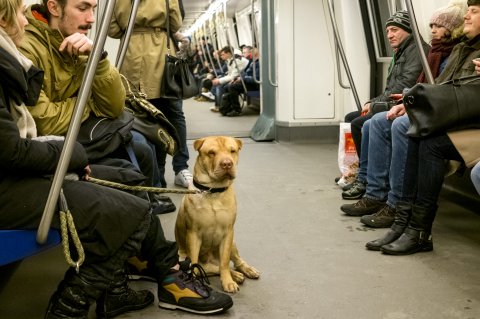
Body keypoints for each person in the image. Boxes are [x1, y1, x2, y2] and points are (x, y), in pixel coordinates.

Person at [0, 1, 233, 318]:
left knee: (132, 171)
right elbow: (42, 124)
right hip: (29, 166)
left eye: (94, 8)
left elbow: (110, 106)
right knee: (132, 180)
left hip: (46, 151)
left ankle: (134, 279)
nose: (92, 18)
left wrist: (97, 62)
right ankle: (146, 278)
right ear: (54, 6)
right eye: (84, 7)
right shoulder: (24, 50)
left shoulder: (51, 48)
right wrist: (83, 112)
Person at [341, 0, 467, 227]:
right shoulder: (432, 52)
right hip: (428, 106)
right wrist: (400, 102)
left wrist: (404, 102)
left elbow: (438, 90)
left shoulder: (436, 53)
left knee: (380, 123)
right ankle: (374, 190)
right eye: (431, 26)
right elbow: (416, 88)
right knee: (372, 122)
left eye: (438, 26)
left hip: (447, 114)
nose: (433, 31)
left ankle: (396, 204)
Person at [369, 0, 480, 255]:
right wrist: (410, 106)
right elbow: (441, 88)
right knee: (416, 132)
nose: (467, 17)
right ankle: (403, 223)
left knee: (428, 141)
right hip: (463, 119)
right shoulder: (464, 48)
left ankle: (418, 229)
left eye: (474, 12)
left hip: (472, 124)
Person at [341, 10, 430, 198]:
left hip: (405, 103)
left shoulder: (417, 51)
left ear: (408, 30)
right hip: (396, 101)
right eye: (387, 31)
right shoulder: (403, 51)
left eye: (394, 30)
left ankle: (367, 179)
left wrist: (375, 106)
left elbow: (404, 86)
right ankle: (364, 173)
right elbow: (393, 87)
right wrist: (373, 102)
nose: (389, 35)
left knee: (359, 123)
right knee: (351, 117)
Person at [109, 0, 194, 189]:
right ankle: (181, 168)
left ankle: (156, 176)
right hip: (162, 52)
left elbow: (113, 30)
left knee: (145, 119)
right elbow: (175, 22)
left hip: (131, 56)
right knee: (174, 114)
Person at [207, 46, 249, 113]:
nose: (221, 56)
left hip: (242, 79)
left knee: (222, 85)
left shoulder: (237, 60)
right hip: (237, 77)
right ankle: (221, 105)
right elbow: (230, 74)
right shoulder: (230, 60)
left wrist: (219, 80)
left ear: (229, 53)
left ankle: (221, 106)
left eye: (223, 54)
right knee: (220, 85)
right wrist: (220, 80)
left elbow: (232, 76)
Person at [220, 47, 260, 117]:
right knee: (229, 85)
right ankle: (227, 107)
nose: (249, 55)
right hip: (247, 82)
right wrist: (236, 78)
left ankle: (236, 110)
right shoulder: (252, 62)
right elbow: (243, 73)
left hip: (254, 85)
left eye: (251, 53)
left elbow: (256, 79)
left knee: (232, 87)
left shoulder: (258, 64)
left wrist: (242, 79)